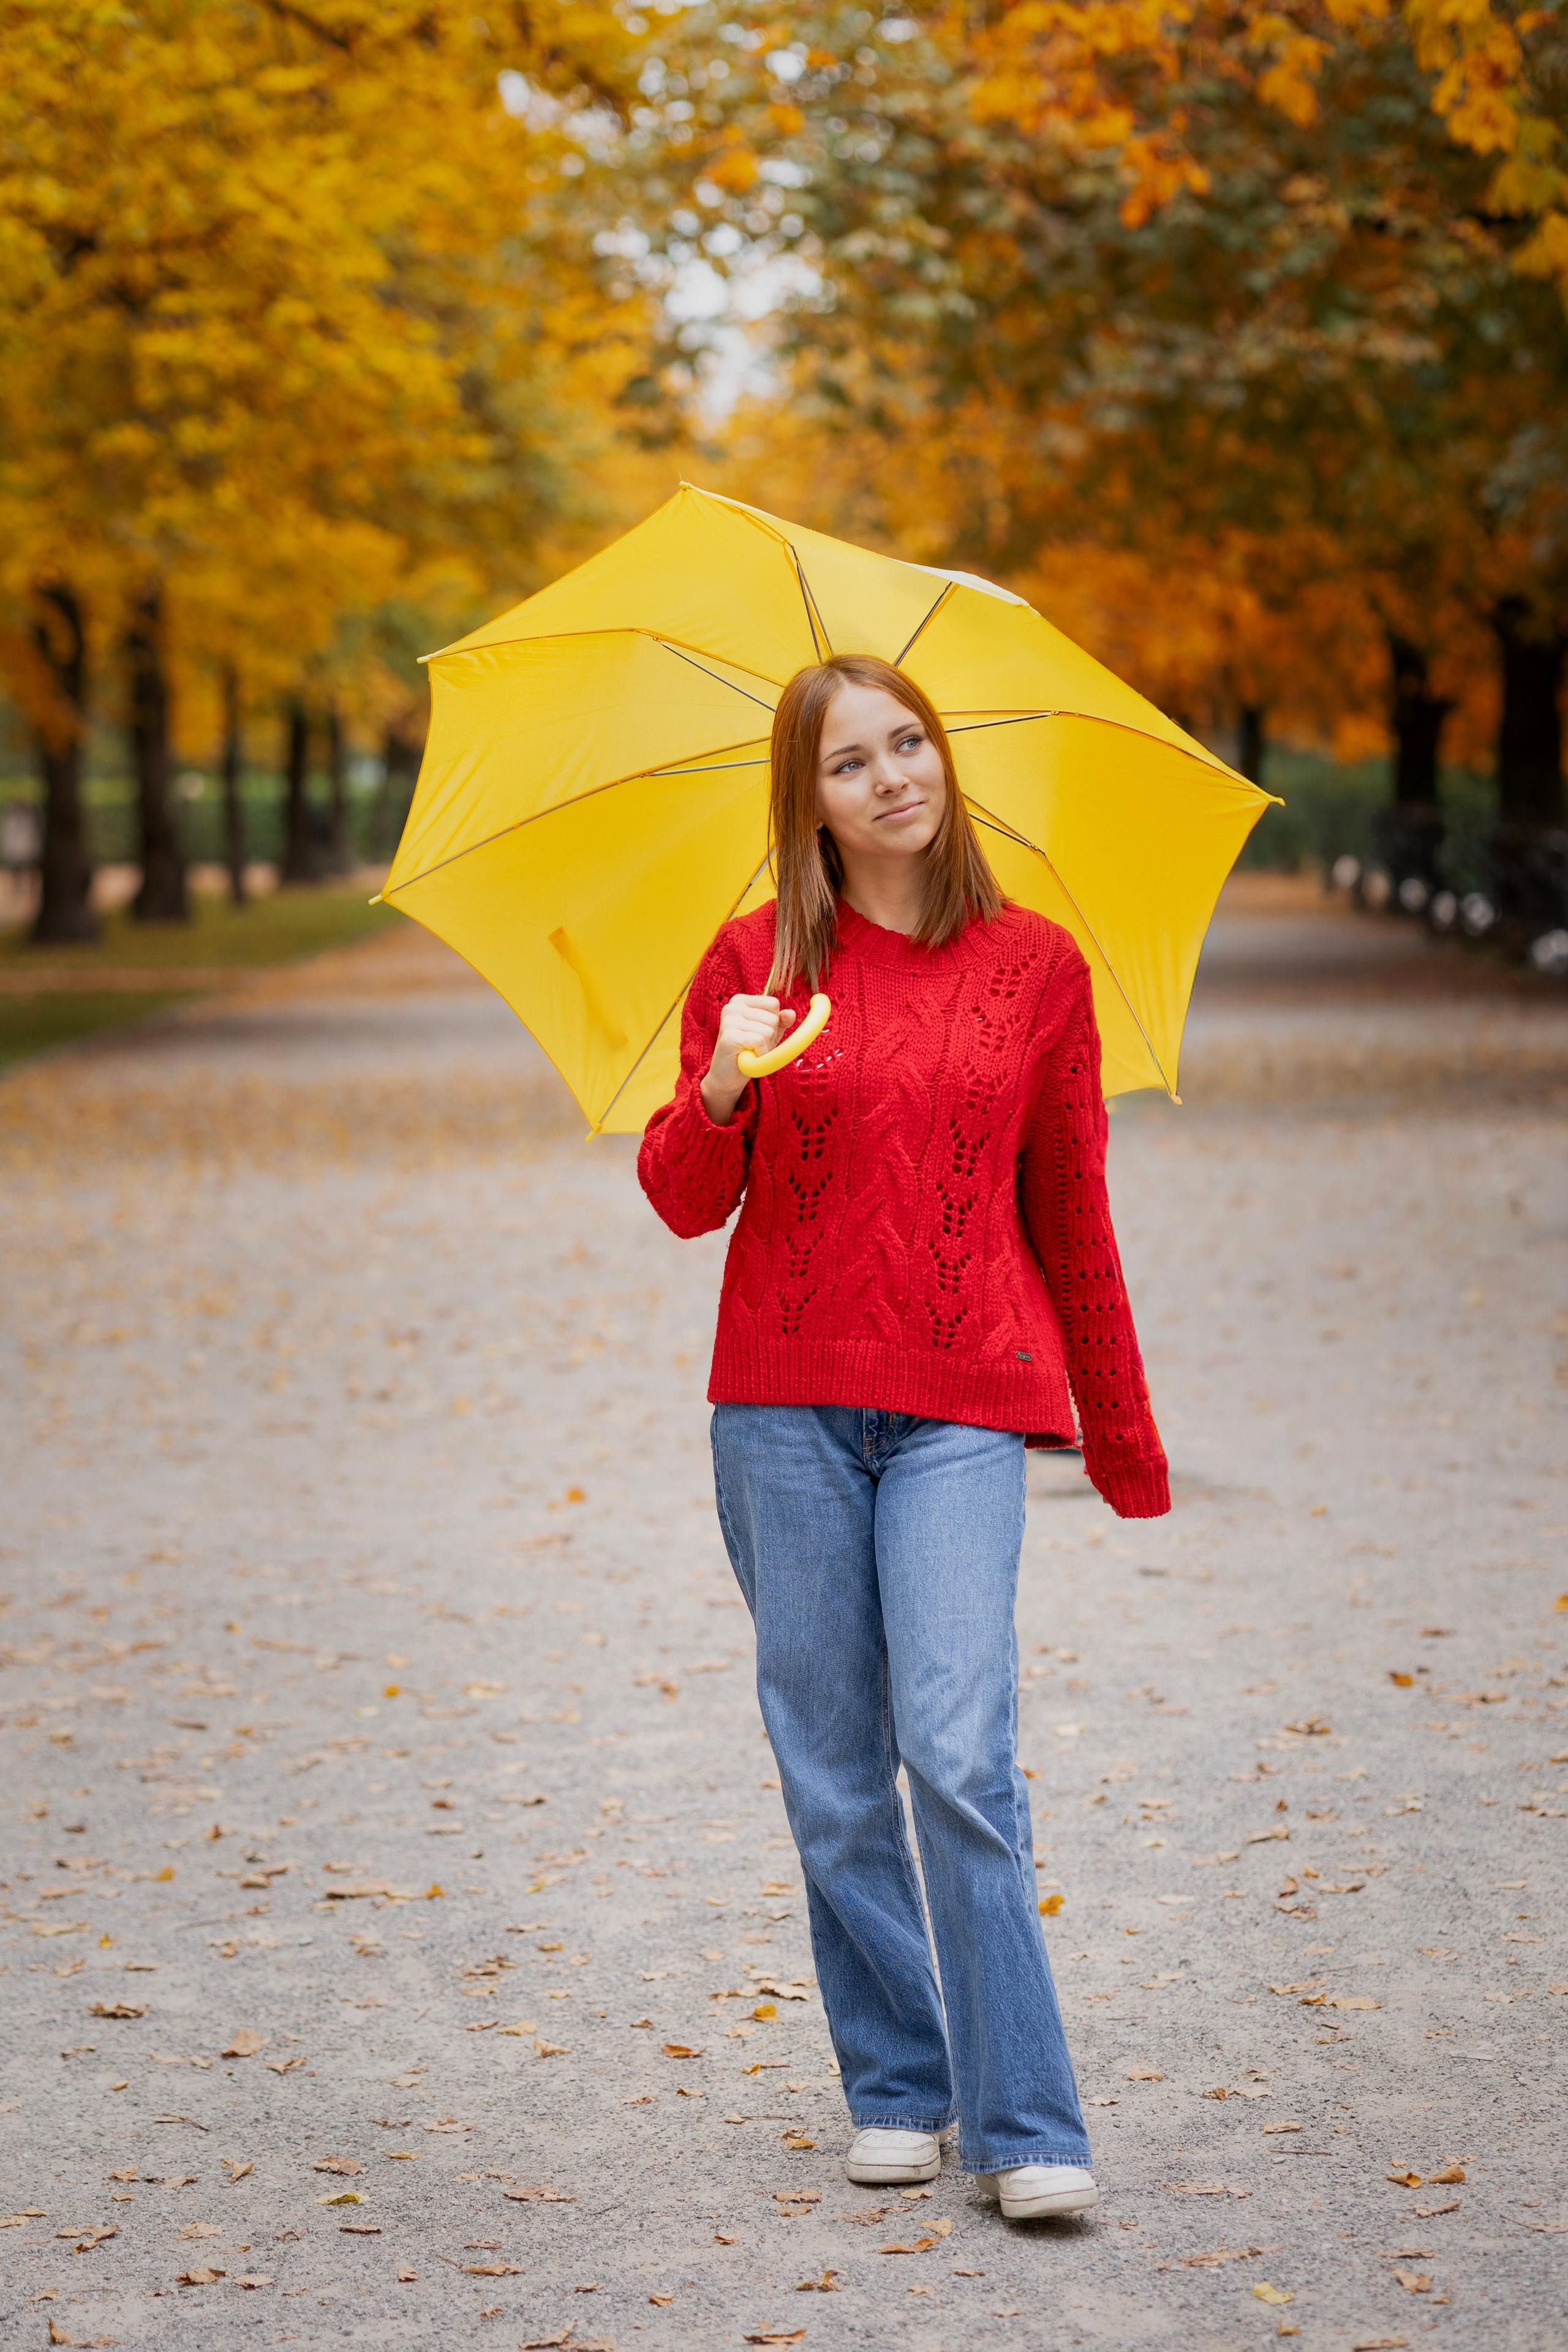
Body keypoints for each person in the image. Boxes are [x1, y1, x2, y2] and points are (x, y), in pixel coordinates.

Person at [638, 652, 1169, 2221]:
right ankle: (894, 2083)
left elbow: (1069, 1209)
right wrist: (725, 1077)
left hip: (960, 1405)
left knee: (953, 1751)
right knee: (831, 1770)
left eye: (910, 742)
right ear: (805, 800)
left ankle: (1024, 2122)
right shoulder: (753, 965)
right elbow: (681, 1199)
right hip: (783, 1405)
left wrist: (1121, 1437)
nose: (892, 777)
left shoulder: (1037, 970)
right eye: (850, 760)